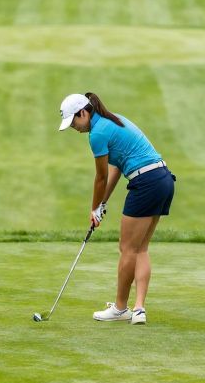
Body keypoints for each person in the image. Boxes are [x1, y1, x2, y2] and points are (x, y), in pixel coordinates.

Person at [58, 92, 175, 325]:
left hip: (146, 183)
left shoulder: (97, 133)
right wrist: (102, 204)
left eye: (74, 122)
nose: (74, 128)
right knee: (140, 248)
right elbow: (116, 170)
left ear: (84, 113)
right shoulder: (112, 120)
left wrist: (93, 208)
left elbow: (100, 177)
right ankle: (139, 309)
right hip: (163, 180)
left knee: (127, 248)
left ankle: (121, 308)